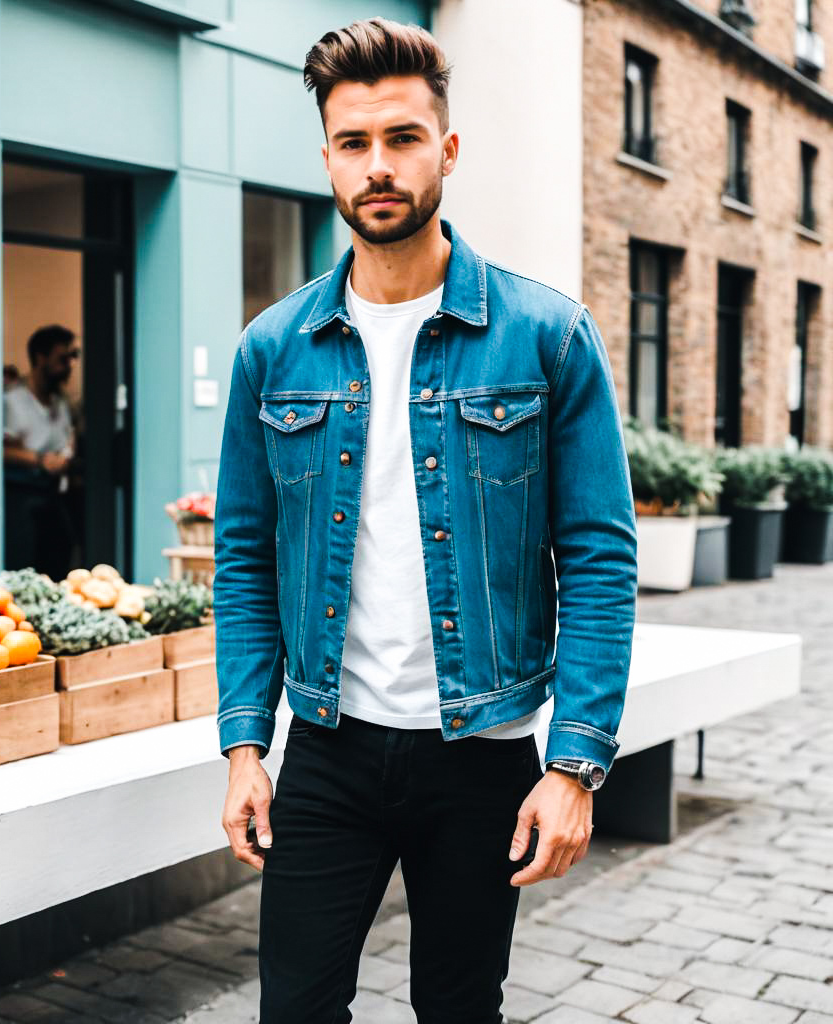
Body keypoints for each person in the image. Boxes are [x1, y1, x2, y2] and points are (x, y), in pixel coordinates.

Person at [212, 17, 638, 1024]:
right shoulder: (272, 349)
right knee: (295, 1011)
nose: (379, 166)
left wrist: (573, 763)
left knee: (459, 1009)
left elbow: (598, 557)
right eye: (354, 144)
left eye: (402, 138)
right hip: (326, 747)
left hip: (481, 753)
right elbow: (241, 554)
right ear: (326, 161)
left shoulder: (546, 335)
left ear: (446, 149)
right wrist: (242, 744)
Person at [3, 324, 79, 579]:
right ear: (40, 357)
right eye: (62, 358)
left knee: (60, 557)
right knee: (25, 564)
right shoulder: (13, 401)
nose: (69, 365)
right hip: (21, 495)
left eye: (72, 357)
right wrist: (39, 460)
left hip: (54, 494)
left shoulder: (60, 402)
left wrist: (67, 454)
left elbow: (69, 436)